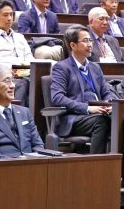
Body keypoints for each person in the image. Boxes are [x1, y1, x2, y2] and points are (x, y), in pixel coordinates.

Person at [50, 25, 116, 154]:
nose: (90, 44)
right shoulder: (62, 68)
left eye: (91, 40)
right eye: (85, 41)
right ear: (73, 45)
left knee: (121, 119)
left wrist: (110, 103)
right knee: (101, 122)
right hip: (74, 117)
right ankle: (95, 165)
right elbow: (57, 98)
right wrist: (87, 108)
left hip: (98, 112)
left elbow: (106, 91)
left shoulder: (95, 68)